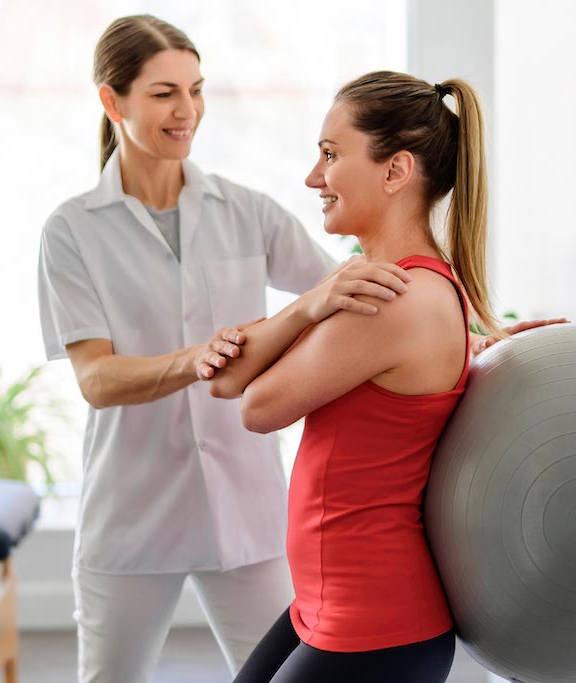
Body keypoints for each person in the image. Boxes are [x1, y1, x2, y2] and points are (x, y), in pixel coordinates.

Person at [36, 16, 415, 683]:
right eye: (163, 94)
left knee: (273, 674)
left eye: (196, 89)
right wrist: (198, 358)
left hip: (245, 510)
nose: (187, 111)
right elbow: (96, 378)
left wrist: (484, 328)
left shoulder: (246, 210)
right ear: (112, 101)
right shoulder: (71, 232)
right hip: (132, 510)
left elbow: (356, 286)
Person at [201, 72, 566, 682]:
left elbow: (256, 407)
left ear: (395, 172)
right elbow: (224, 378)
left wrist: (313, 303)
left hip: (373, 625)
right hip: (327, 606)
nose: (314, 178)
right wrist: (315, 300)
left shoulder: (389, 298)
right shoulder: (387, 283)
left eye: (330, 155)